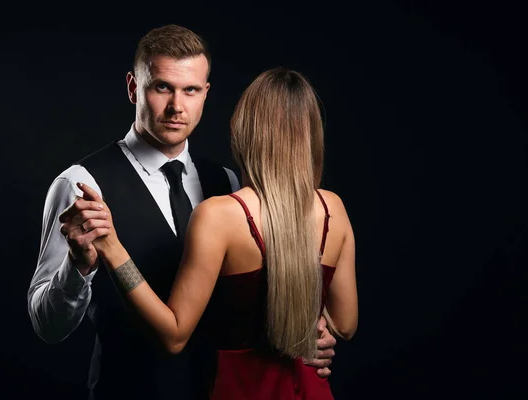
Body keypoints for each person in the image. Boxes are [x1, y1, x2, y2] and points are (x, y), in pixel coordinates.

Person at [27, 24, 337, 400]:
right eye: (162, 87)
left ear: (205, 94)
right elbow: (47, 325)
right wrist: (78, 267)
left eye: (190, 90)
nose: (177, 106)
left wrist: (313, 327)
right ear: (132, 87)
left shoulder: (227, 182)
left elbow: (259, 293)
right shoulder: (80, 184)